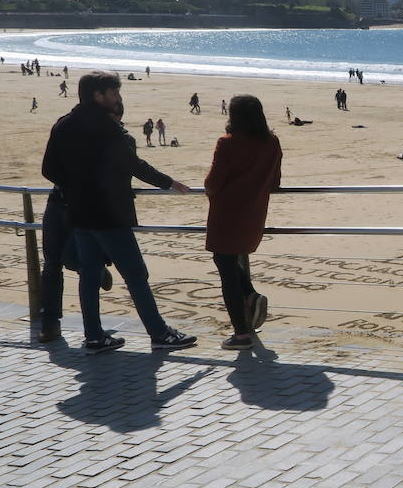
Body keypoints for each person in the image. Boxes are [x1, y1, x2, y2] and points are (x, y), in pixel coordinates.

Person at [40, 70, 196, 354]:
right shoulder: (107, 127)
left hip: (78, 212)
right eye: (113, 93)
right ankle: (159, 333)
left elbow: (48, 169)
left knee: (89, 274)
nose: (118, 98)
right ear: (97, 95)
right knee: (135, 273)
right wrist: (169, 183)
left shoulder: (64, 124)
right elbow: (133, 165)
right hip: (108, 213)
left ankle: (95, 337)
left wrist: (77, 186)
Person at [205, 95, 283, 350]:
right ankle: (250, 294)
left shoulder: (227, 143)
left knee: (225, 269)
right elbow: (275, 182)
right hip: (254, 215)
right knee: (227, 262)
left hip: (226, 215)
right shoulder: (272, 142)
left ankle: (241, 334)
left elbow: (212, 184)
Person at [36, 186, 113, 343]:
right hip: (58, 199)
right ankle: (49, 322)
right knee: (51, 262)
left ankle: (98, 272)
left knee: (72, 258)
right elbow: (49, 169)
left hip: (84, 203)